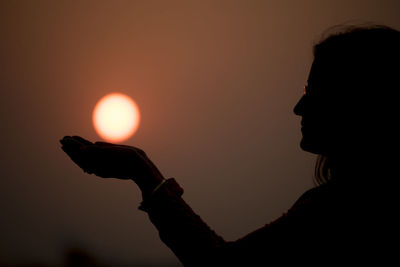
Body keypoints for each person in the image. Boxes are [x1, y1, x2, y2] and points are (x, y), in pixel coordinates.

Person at [60, 25, 399, 266]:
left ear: (357, 101)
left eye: (313, 92)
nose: (298, 107)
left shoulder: (340, 209)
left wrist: (142, 171)